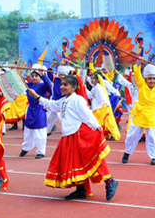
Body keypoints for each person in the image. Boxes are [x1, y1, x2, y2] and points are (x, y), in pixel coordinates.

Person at [28, 73, 118, 201]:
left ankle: (109, 181)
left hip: (79, 134)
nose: (62, 87)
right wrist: (36, 96)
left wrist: (96, 126)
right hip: (69, 135)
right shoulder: (63, 101)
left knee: (91, 158)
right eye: (62, 85)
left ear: (74, 87)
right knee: (75, 163)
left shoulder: (78, 100)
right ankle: (81, 189)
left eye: (66, 85)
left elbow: (87, 114)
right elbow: (51, 105)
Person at [121, 64, 155, 165]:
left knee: (153, 136)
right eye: (149, 79)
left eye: (153, 78)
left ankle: (154, 156)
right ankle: (127, 153)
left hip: (152, 114)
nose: (151, 81)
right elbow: (137, 75)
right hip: (140, 113)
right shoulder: (141, 85)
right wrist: (137, 65)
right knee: (132, 135)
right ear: (145, 79)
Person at [20, 65, 53, 158]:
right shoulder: (28, 85)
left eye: (36, 76)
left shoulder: (42, 86)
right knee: (28, 130)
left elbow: (49, 86)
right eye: (33, 76)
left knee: (40, 131)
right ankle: (26, 148)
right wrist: (18, 75)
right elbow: (19, 84)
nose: (34, 78)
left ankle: (41, 151)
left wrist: (43, 75)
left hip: (39, 110)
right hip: (30, 110)